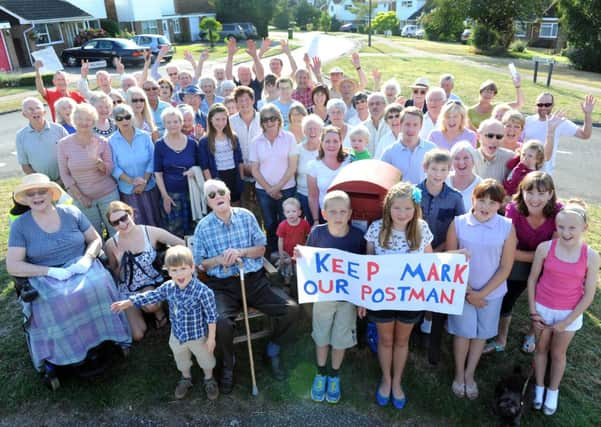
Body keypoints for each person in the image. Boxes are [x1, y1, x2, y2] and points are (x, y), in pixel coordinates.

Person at [6, 173, 131, 372]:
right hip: (46, 273)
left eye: (41, 192)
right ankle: (67, 354)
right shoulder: (21, 226)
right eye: (31, 194)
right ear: (25, 199)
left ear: (51, 193)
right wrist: (49, 271)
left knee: (98, 285)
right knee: (59, 299)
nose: (37, 197)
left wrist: (87, 259)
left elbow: (95, 239)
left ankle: (109, 337)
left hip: (79, 264)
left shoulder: (71, 212)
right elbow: (13, 265)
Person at [192, 179, 299, 393]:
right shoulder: (203, 227)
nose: (217, 197)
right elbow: (200, 263)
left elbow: (261, 248)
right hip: (222, 285)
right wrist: (218, 260)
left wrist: (241, 252)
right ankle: (229, 362)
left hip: (253, 280)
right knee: (221, 322)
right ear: (208, 202)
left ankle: (272, 349)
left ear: (229, 194)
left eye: (221, 192)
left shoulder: (247, 216)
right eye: (211, 195)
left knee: (291, 310)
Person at [111, 245, 219, 401]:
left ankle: (209, 379)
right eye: (174, 270)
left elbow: (211, 316)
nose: (179, 274)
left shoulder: (203, 291)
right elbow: (152, 296)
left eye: (183, 269)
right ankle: (186, 378)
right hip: (177, 335)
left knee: (206, 359)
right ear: (168, 271)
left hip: (197, 335)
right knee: (181, 358)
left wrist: (211, 338)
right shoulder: (169, 287)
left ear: (191, 267)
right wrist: (129, 302)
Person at [359, 182, 433, 409]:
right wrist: (363, 298)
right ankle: (386, 378)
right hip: (381, 298)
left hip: (410, 298)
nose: (402, 214)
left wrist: (458, 257)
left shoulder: (422, 229)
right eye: (397, 208)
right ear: (388, 207)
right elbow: (367, 266)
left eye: (408, 208)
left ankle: (397, 381)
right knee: (386, 340)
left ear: (416, 209)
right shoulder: (376, 229)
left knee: (402, 341)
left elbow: (432, 263)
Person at [446, 179, 517, 400]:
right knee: (463, 333)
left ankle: (470, 374)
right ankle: (458, 374)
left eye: (492, 202)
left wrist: (482, 294)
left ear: (500, 204)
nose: (486, 206)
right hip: (463, 290)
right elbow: (450, 261)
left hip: (491, 294)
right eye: (481, 200)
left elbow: (506, 266)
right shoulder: (458, 223)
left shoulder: (506, 226)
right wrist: (469, 293)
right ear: (473, 200)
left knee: (480, 335)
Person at [527, 201, 599, 416]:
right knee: (541, 349)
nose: (565, 232)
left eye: (572, 228)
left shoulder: (591, 256)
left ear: (584, 228)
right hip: (542, 308)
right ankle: (539, 387)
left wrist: (567, 321)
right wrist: (533, 311)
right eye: (561, 227)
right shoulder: (545, 248)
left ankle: (553, 390)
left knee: (558, 354)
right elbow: (532, 280)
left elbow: (589, 294)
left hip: (569, 313)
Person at [483, 172, 560, 356]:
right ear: (522, 191)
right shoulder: (514, 209)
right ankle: (501, 338)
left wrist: (534, 257)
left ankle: (532, 334)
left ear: (550, 194)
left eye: (541, 193)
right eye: (530, 192)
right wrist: (536, 256)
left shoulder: (558, 212)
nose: (535, 199)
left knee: (541, 301)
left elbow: (554, 252)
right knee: (506, 296)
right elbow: (509, 251)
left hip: (545, 264)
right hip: (519, 260)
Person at [301, 190, 366, 404]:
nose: (338, 216)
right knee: (321, 336)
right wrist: (300, 257)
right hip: (323, 297)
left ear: (349, 214)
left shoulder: (357, 237)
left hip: (348, 300)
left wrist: (361, 300)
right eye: (333, 211)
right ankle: (320, 373)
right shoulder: (318, 234)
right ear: (324, 213)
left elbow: (364, 270)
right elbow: (309, 262)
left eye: (343, 212)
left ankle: (334, 376)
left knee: (340, 338)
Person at [105, 201, 184, 339]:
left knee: (151, 305)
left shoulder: (150, 232)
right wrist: (119, 262)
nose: (122, 224)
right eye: (116, 223)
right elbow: (116, 276)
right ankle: (143, 312)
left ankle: (158, 312)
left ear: (131, 213)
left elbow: (182, 243)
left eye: (124, 218)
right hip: (128, 289)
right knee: (137, 335)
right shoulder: (111, 244)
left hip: (149, 282)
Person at [57, 103, 119, 237]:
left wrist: (96, 160)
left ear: (93, 121)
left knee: (116, 230)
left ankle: (120, 257)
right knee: (93, 234)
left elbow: (108, 170)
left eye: (88, 119)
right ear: (73, 120)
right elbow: (64, 174)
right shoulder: (63, 144)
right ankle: (100, 258)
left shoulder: (102, 141)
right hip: (82, 198)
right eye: (80, 118)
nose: (84, 122)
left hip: (107, 194)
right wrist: (80, 197)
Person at [250, 105, 299, 254]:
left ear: (278, 120)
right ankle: (273, 252)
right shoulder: (256, 141)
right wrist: (269, 189)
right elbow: (254, 169)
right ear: (261, 122)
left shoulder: (289, 138)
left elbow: (292, 167)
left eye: (272, 118)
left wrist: (277, 187)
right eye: (265, 119)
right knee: (270, 223)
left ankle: (289, 253)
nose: (269, 122)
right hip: (264, 191)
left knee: (288, 222)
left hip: (287, 188)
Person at [110, 104, 162, 227]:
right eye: (119, 118)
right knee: (135, 223)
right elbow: (113, 166)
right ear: (114, 121)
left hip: (149, 186)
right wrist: (132, 181)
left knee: (154, 219)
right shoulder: (111, 141)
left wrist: (144, 181)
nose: (124, 121)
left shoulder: (144, 136)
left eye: (127, 117)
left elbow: (152, 159)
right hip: (128, 190)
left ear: (132, 118)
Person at [522, 93, 595, 174]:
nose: (543, 107)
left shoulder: (559, 121)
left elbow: (585, 135)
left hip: (543, 174)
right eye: (540, 104)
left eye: (547, 104)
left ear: (553, 105)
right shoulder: (528, 120)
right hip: (524, 169)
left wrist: (587, 114)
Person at [154, 107, 199, 237]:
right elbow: (158, 173)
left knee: (194, 228)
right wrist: (165, 196)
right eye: (168, 122)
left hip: (192, 193)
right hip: (171, 195)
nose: (172, 125)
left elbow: (200, 166)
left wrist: (194, 170)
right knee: (174, 230)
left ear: (181, 122)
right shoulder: (159, 145)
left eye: (175, 121)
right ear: (164, 124)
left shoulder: (192, 143)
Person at [199, 103, 244, 203]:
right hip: (217, 176)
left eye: (224, 119)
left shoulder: (233, 137)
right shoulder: (204, 141)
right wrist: (211, 185)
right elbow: (205, 166)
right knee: (221, 205)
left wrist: (241, 178)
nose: (221, 123)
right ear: (211, 120)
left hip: (234, 175)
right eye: (217, 119)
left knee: (236, 204)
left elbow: (240, 160)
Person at [16, 97, 68, 183]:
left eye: (38, 108)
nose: (35, 111)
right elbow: (25, 166)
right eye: (30, 109)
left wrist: (63, 179)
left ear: (44, 112)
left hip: (65, 181)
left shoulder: (58, 129)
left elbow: (71, 153)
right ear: (24, 115)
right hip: (41, 185)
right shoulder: (20, 136)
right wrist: (42, 183)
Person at [229, 86, 263, 220]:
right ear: (236, 103)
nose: (244, 103)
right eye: (240, 100)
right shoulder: (230, 122)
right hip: (241, 172)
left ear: (253, 100)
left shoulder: (263, 119)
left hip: (261, 171)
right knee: (244, 209)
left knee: (261, 208)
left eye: (247, 100)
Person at [307, 125, 351, 225]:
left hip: (347, 215)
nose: (331, 145)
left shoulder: (349, 161)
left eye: (335, 141)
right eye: (327, 141)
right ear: (321, 143)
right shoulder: (313, 165)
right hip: (325, 215)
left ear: (341, 143)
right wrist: (316, 220)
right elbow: (313, 196)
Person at [381, 107, 436, 184]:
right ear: (400, 124)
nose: (411, 129)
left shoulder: (431, 149)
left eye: (415, 125)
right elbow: (383, 178)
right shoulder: (389, 152)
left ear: (421, 126)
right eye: (407, 124)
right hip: (399, 195)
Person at [276, 197, 310, 286]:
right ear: (284, 213)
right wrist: (281, 253)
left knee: (299, 269)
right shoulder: (283, 225)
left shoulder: (304, 224)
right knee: (287, 270)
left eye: (294, 211)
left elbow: (308, 236)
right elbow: (280, 240)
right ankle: (287, 285)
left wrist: (306, 249)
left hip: (299, 252)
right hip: (287, 252)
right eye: (288, 212)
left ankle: (300, 285)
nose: (291, 214)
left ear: (299, 212)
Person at [296, 114, 323, 225]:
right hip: (303, 194)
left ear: (321, 130)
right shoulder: (298, 149)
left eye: (315, 129)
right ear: (304, 131)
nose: (312, 132)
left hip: (323, 195)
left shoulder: (327, 147)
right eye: (309, 129)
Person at [226, 38, 265, 108]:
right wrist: (230, 56)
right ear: (238, 76)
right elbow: (228, 75)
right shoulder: (235, 85)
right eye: (242, 75)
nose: (245, 77)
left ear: (251, 75)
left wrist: (255, 57)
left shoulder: (256, 84)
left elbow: (261, 73)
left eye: (247, 74)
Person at [473, 118, 513, 183]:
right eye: (490, 136)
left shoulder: (510, 158)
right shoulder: (469, 158)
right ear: (478, 136)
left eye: (499, 137)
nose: (494, 140)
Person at [447, 141, 482, 211]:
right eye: (456, 158)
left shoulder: (481, 185)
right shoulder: (443, 180)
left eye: (466, 158)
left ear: (473, 160)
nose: (461, 162)